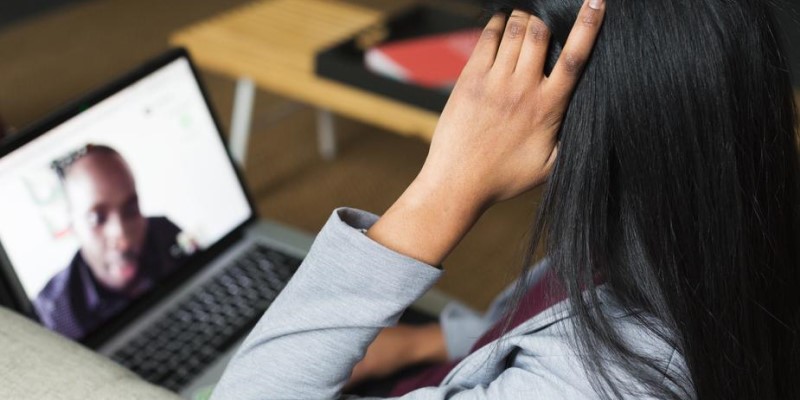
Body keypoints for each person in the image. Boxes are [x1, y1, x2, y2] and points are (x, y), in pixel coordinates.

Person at [212, 0, 800, 398]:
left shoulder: (594, 385)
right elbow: (545, 307)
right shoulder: (703, 220)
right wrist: (433, 339)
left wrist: (446, 188)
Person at [34, 144, 193, 339]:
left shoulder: (165, 233)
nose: (123, 241)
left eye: (131, 210)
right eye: (97, 219)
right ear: (72, 225)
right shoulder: (54, 314)